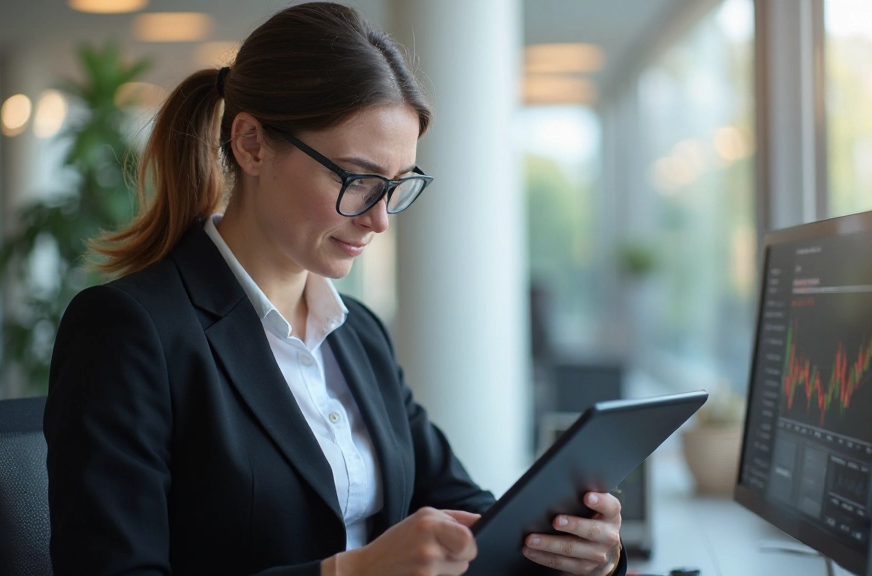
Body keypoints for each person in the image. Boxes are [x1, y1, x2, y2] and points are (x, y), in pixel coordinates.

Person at [43, 3, 626, 575]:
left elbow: (468, 513)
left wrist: (578, 550)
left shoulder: (359, 334)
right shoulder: (129, 330)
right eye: (358, 179)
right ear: (251, 145)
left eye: (396, 186)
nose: (379, 220)